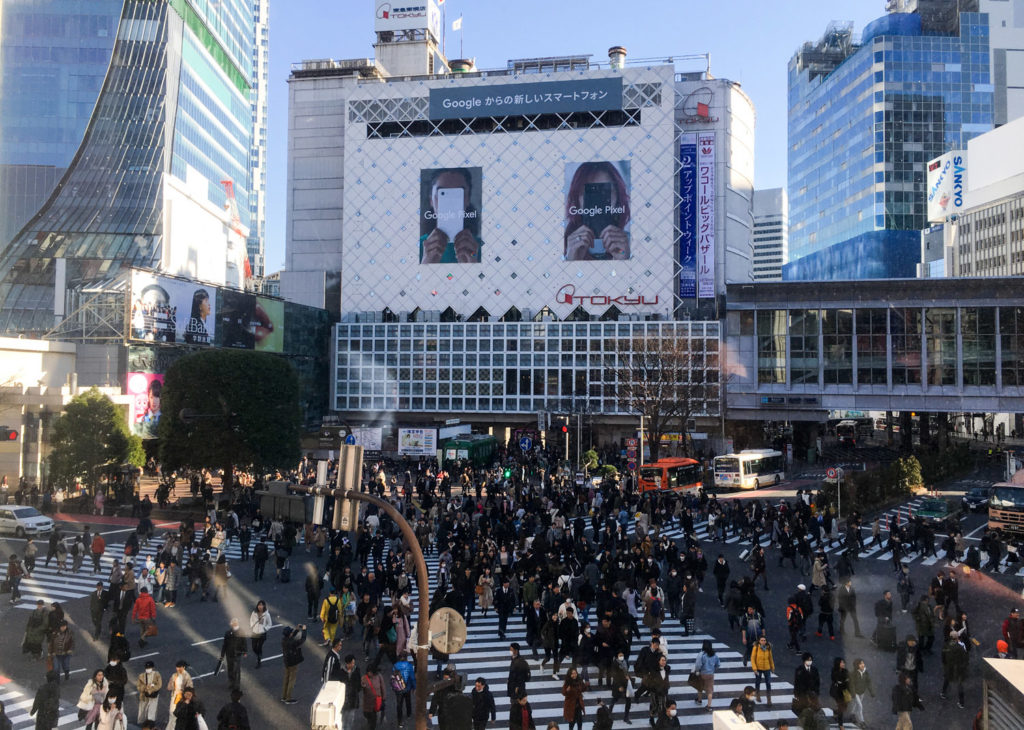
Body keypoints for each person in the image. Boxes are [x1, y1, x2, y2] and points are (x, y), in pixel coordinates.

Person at [563, 161, 631, 261]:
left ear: (618, 196)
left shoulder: (633, 243)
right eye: (588, 192)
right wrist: (570, 261)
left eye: (605, 191)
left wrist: (624, 259)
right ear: (577, 199)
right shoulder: (560, 244)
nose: (597, 201)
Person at [420, 168, 482, 264]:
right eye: (443, 194)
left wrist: (474, 266)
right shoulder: (416, 246)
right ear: (431, 200)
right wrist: (426, 264)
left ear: (468, 200)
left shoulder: (481, 247)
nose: (450, 202)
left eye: (458, 194)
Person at [941, 629, 969, 709]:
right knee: (960, 685)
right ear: (957, 638)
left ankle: (943, 692)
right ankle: (961, 702)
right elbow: (965, 658)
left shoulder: (945, 646)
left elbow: (943, 658)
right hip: (958, 668)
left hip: (949, 667)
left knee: (947, 679)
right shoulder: (960, 647)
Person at [280, 624, 306, 704]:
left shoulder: (284, 640)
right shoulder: (292, 642)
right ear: (290, 634)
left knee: (286, 679)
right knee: (292, 680)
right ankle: (288, 698)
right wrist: (304, 630)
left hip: (286, 661)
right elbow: (302, 639)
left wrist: (297, 629)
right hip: (293, 662)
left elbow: (291, 636)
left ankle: (284, 696)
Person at [219, 618, 247, 691]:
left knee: (236, 670)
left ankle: (237, 686)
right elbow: (225, 644)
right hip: (229, 654)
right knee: (230, 669)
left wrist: (244, 651)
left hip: (237, 654)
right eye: (232, 622)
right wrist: (222, 654)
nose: (233, 623)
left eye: (235, 622)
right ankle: (232, 683)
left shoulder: (241, 632)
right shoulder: (228, 633)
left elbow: (244, 642)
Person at [693, 639, 720, 712]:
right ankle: (709, 705)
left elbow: (698, 665)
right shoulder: (714, 655)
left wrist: (697, 671)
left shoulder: (701, 654)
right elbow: (718, 664)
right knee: (710, 690)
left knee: (699, 687)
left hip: (702, 674)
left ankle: (699, 700)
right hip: (710, 674)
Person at [165, 660, 193, 730]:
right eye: (177, 667)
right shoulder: (174, 675)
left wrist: (185, 695)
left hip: (182, 698)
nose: (177, 669)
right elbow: (169, 687)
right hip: (174, 696)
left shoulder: (187, 676)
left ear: (183, 667)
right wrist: (172, 684)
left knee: (176, 714)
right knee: (171, 713)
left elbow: (190, 688)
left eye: (179, 667)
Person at [749, 633, 776, 707]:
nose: (763, 642)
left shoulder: (768, 648)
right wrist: (754, 669)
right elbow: (752, 658)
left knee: (768, 683)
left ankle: (769, 699)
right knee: (758, 682)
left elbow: (770, 658)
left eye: (764, 640)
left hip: (767, 668)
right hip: (758, 668)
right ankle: (758, 695)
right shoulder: (756, 648)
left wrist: (772, 667)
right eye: (762, 640)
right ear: (759, 641)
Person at [848, 658, 874, 728]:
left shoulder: (866, 672)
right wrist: (853, 693)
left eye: (863, 663)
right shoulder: (853, 674)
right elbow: (852, 684)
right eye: (860, 664)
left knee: (856, 704)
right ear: (857, 665)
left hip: (862, 692)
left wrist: (872, 691)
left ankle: (852, 714)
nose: (863, 665)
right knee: (860, 706)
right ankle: (862, 722)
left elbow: (869, 682)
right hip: (856, 692)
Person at [360, 663, 386, 730]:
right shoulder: (364, 678)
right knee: (367, 715)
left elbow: (383, 687)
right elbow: (360, 687)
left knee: (373, 720)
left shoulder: (379, 676)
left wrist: (383, 698)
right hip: (367, 703)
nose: (369, 673)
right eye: (368, 672)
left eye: (370, 672)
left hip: (376, 702)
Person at [793, 653, 820, 717]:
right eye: (808, 660)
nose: (809, 661)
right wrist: (796, 693)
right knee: (804, 708)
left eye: (810, 660)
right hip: (803, 693)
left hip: (812, 692)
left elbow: (817, 681)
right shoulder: (799, 669)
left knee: (813, 708)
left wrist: (816, 691)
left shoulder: (814, 669)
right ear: (804, 660)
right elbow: (796, 682)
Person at [135, 661, 161, 726]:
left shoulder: (157, 675)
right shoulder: (141, 676)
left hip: (153, 695)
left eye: (149, 668)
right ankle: (143, 723)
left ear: (153, 668)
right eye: (147, 668)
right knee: (143, 709)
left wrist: (152, 687)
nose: (148, 669)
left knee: (152, 709)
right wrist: (145, 688)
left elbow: (159, 685)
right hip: (144, 695)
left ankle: (150, 724)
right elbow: (138, 686)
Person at [391, 654, 415, 725]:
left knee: (399, 704)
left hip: (398, 688)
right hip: (407, 687)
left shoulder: (395, 666)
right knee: (408, 701)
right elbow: (412, 678)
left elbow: (394, 676)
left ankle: (400, 719)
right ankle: (409, 714)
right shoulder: (409, 666)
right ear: (406, 658)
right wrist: (414, 687)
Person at [249, 600, 272, 667]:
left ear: (264, 606)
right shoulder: (254, 613)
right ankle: (259, 654)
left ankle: (259, 661)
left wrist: (265, 629)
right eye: (259, 605)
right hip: (255, 632)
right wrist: (252, 626)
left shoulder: (267, 615)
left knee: (259, 647)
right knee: (254, 648)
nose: (260, 606)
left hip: (262, 634)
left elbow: (269, 624)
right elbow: (251, 620)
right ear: (257, 606)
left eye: (262, 605)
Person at [829, 657, 850, 730]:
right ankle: (841, 724)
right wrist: (843, 681)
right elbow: (837, 680)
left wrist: (843, 682)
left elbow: (847, 681)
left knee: (845, 707)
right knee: (841, 707)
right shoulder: (834, 671)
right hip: (836, 692)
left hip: (844, 691)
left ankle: (835, 712)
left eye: (843, 662)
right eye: (841, 663)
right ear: (838, 663)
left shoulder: (846, 671)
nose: (843, 664)